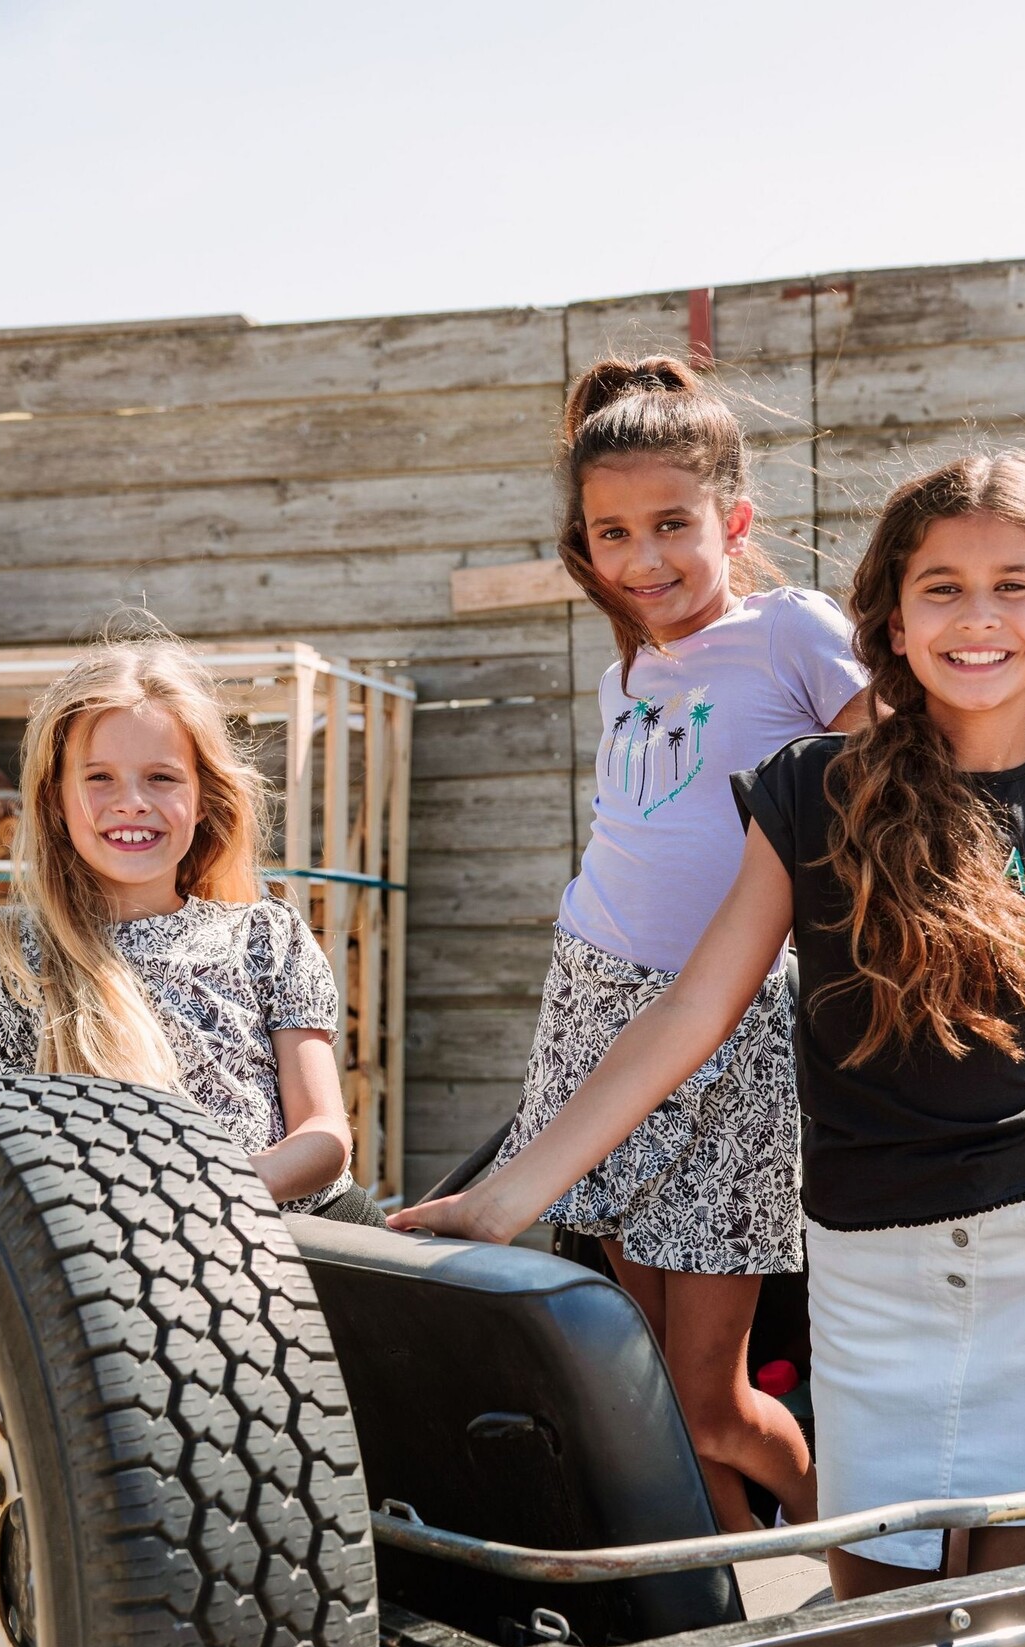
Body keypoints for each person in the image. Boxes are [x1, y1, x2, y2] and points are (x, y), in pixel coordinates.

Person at [390, 448, 1025, 1599]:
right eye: (942, 587)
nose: (977, 618)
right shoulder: (816, 789)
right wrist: (505, 1197)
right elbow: (694, 1008)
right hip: (872, 1281)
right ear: (890, 615)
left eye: (1012, 585)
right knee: (883, 1632)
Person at [387, 355, 866, 1533]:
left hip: (732, 1024)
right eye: (613, 532)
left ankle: (879, 1552)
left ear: (733, 522)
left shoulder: (794, 631)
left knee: (710, 1400)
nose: (644, 557)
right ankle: (728, 1581)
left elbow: (891, 792)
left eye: (671, 524)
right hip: (593, 1002)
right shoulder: (631, 670)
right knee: (644, 1382)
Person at [0, 632, 385, 1225]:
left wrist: (207, 1195)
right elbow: (20, 1154)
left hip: (312, 1236)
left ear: (203, 797)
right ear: (54, 799)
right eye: (99, 777)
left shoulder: (267, 936)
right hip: (125, 1251)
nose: (131, 802)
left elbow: (325, 1136)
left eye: (162, 777)